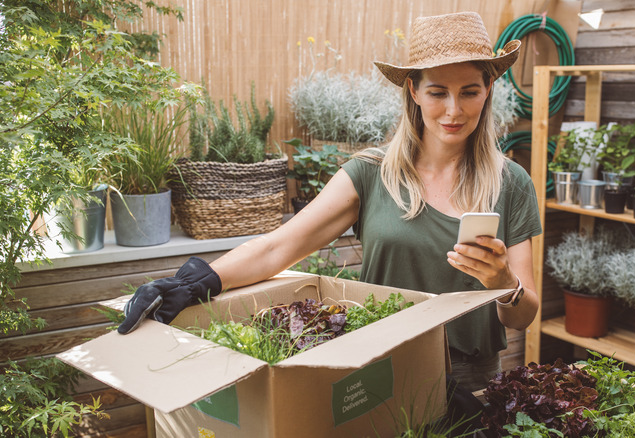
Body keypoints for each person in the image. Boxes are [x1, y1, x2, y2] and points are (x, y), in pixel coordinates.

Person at [117, 11, 541, 394]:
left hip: (471, 375)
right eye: (437, 92)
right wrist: (190, 285)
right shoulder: (371, 174)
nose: (453, 110)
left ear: (488, 88)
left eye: (469, 91)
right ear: (413, 91)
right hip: (384, 366)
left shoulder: (511, 183)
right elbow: (276, 247)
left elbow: (522, 316)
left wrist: (503, 283)